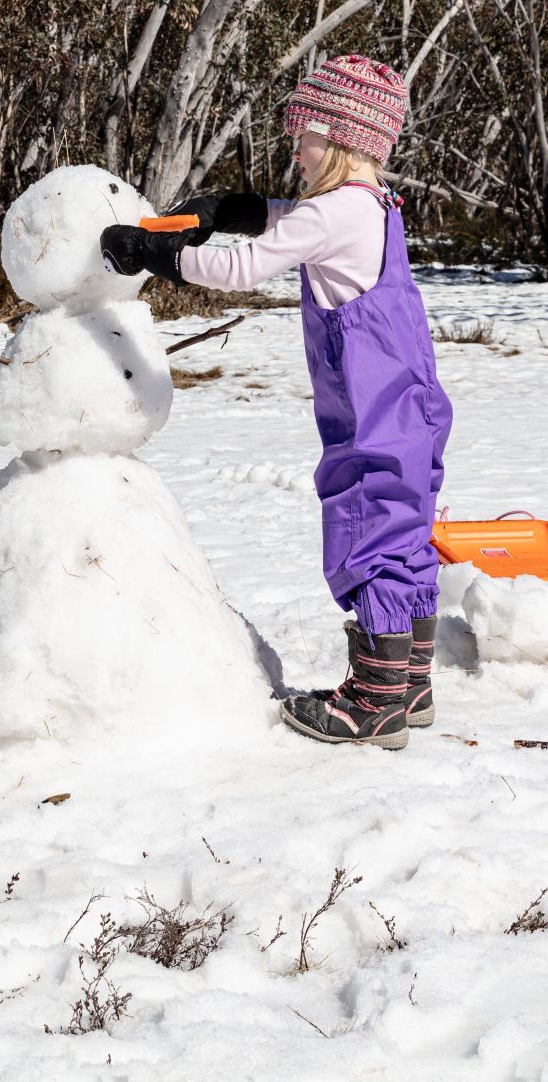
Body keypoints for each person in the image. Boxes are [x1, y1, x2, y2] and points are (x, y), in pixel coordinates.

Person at [101, 55, 451, 751]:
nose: (295, 147)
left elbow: (243, 266)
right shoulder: (372, 204)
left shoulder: (338, 211)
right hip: (409, 405)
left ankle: (373, 705)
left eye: (306, 134)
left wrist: (153, 253)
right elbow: (288, 219)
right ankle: (407, 684)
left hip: (370, 411)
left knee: (365, 530)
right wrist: (235, 209)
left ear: (345, 138)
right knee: (404, 532)